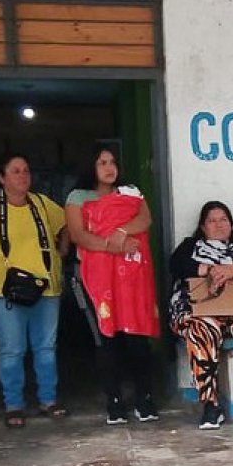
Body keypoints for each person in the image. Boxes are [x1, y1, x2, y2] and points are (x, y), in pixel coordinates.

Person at [65, 145, 160, 425]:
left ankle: (145, 397)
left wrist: (121, 231)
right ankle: (114, 401)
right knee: (108, 340)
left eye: (112, 162)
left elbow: (145, 219)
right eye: (102, 163)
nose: (109, 168)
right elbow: (78, 235)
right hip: (98, 278)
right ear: (90, 167)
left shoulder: (129, 191)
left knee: (137, 338)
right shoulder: (78, 197)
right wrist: (112, 246)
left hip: (131, 278)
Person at [169, 200, 233, 429]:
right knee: (201, 331)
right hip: (200, 311)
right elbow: (176, 265)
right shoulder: (190, 247)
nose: (218, 225)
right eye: (212, 220)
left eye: (223, 219)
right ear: (203, 226)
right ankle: (210, 404)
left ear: (232, 224)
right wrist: (210, 269)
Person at [0, 154, 68, 428]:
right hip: (4, 290)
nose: (23, 176)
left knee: (46, 347)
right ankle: (14, 405)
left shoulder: (42, 203)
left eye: (26, 171)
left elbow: (67, 224)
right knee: (12, 349)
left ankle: (49, 399)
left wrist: (62, 249)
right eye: (16, 171)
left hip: (45, 287)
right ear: (2, 178)